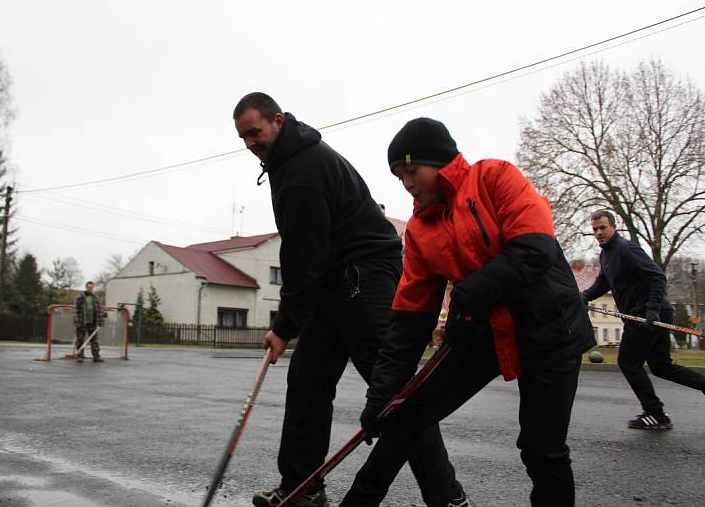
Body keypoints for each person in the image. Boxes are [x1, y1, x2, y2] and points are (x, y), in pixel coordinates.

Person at [342, 117, 595, 507]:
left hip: (549, 330)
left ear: (440, 162)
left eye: (412, 171)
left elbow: (534, 249)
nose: (407, 183)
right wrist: (381, 394)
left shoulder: (496, 177)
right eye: (398, 177)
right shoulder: (419, 229)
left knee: (542, 449)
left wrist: (468, 296)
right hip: (483, 333)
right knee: (403, 418)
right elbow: (409, 318)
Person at [233, 94, 463, 507]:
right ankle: (302, 488)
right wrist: (294, 321)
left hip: (365, 277)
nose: (250, 142)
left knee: (394, 393)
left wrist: (285, 327)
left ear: (278, 121)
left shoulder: (302, 169)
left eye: (255, 131)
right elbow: (309, 258)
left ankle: (447, 499)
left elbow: (302, 257)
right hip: (331, 283)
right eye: (243, 137)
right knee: (307, 383)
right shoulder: (287, 162)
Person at [580, 210, 705, 429]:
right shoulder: (606, 255)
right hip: (646, 314)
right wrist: (585, 296)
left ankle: (655, 414)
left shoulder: (626, 248)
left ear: (614, 226)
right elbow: (604, 284)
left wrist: (651, 310)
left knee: (628, 362)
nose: (599, 233)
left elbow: (656, 276)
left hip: (648, 314)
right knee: (662, 366)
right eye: (595, 229)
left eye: (603, 227)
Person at [74, 280, 104, 363]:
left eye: (91, 287)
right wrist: (77, 321)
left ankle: (96, 356)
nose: (90, 288)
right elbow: (76, 310)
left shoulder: (96, 298)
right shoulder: (80, 297)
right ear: (86, 287)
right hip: (82, 321)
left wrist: (101, 322)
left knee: (94, 340)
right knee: (80, 339)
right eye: (89, 287)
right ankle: (80, 356)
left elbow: (100, 310)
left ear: (93, 287)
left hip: (93, 322)